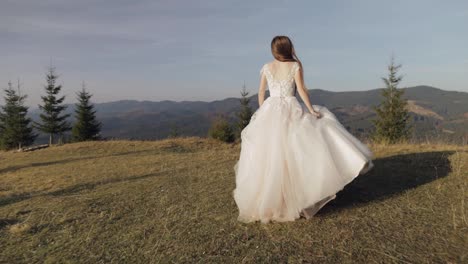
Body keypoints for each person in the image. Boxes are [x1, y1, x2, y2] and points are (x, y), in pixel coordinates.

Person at [232, 35, 374, 224]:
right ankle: (297, 198)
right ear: (289, 48)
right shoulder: (295, 66)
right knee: (295, 151)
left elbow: (260, 92)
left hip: (270, 108)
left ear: (273, 50)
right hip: (291, 108)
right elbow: (301, 90)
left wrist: (262, 110)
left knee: (269, 154)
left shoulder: (266, 67)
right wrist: (311, 109)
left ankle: (273, 200)